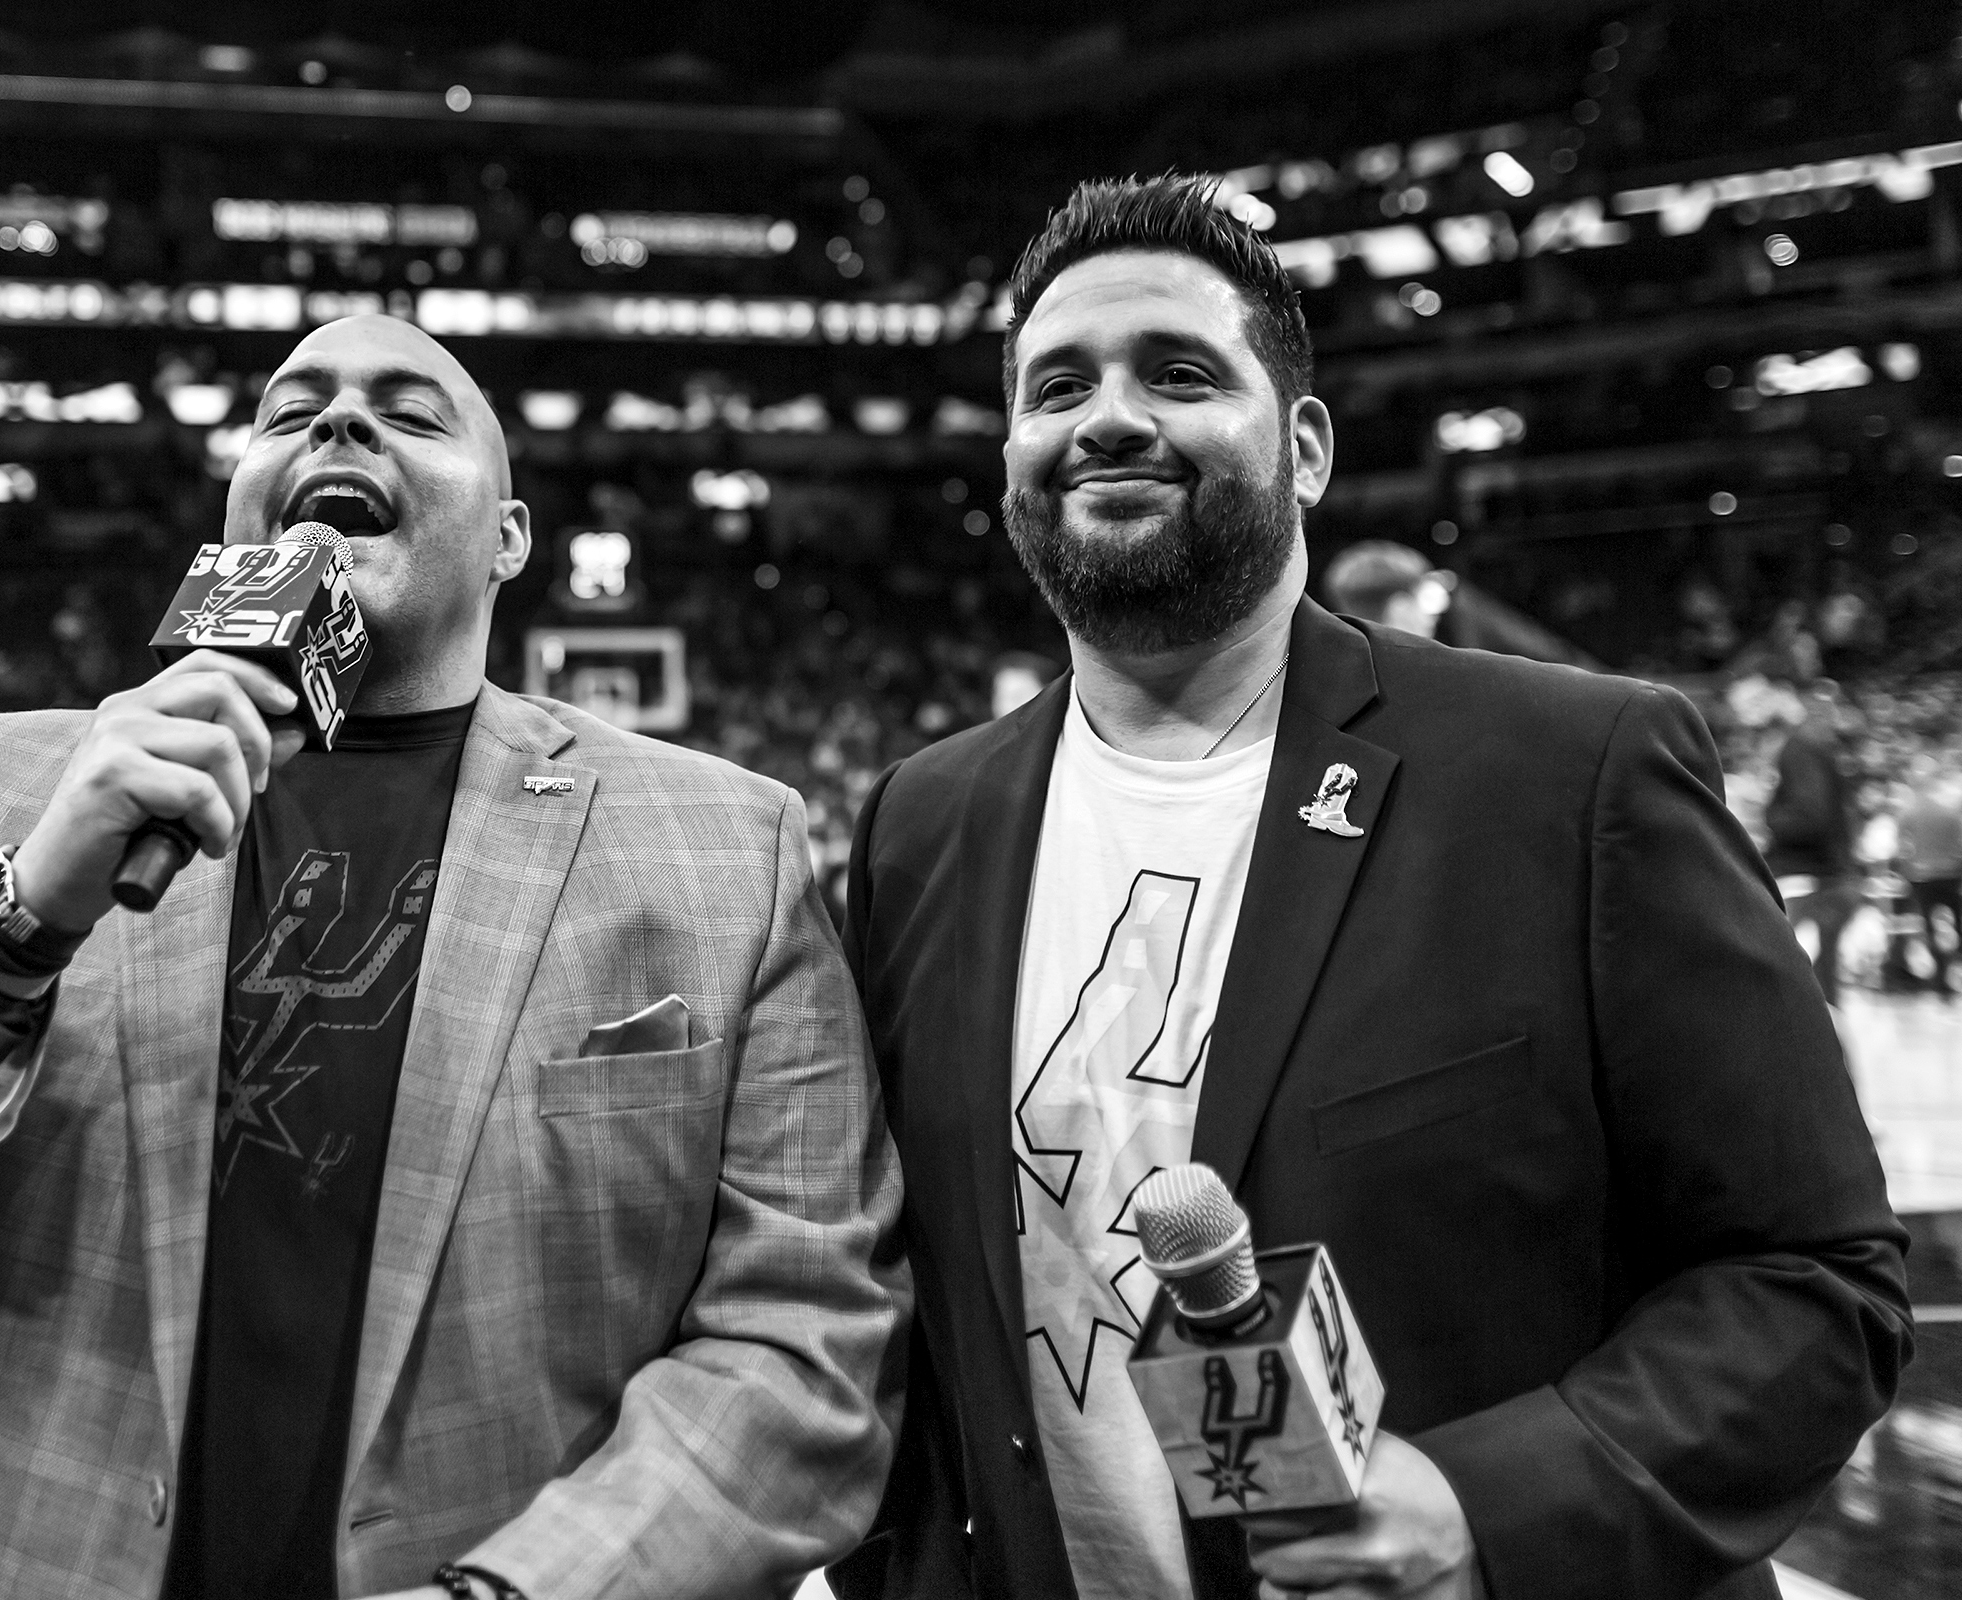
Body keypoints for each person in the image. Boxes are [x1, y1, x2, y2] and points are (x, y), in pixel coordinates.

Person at [0, 314, 906, 1600]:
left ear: (510, 538)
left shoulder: (723, 842)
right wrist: (17, 914)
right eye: (290, 413)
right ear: (239, 511)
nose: (339, 422)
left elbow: (804, 1339)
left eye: (411, 414)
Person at [829, 175, 1907, 1600]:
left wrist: (1483, 1514)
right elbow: (900, 1311)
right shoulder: (920, 823)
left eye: (1179, 373)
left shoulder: (1572, 773)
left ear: (1307, 448)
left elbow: (1815, 1282)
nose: (1108, 418)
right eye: (1058, 386)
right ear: (1016, 453)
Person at [1765, 682, 1858, 1006]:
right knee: (1823, 986)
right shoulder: (1821, 747)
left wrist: (1769, 818)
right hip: (1832, 874)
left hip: (1806, 878)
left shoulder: (1800, 747)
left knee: (1786, 979)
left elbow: (1809, 816)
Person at [1896, 758, 1962, 998]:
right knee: (1957, 922)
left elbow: (1902, 846)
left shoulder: (1908, 810)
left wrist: (1907, 868)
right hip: (1950, 874)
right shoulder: (1949, 810)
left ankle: (1939, 981)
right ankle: (1952, 968)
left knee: (1928, 925)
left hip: (1921, 875)